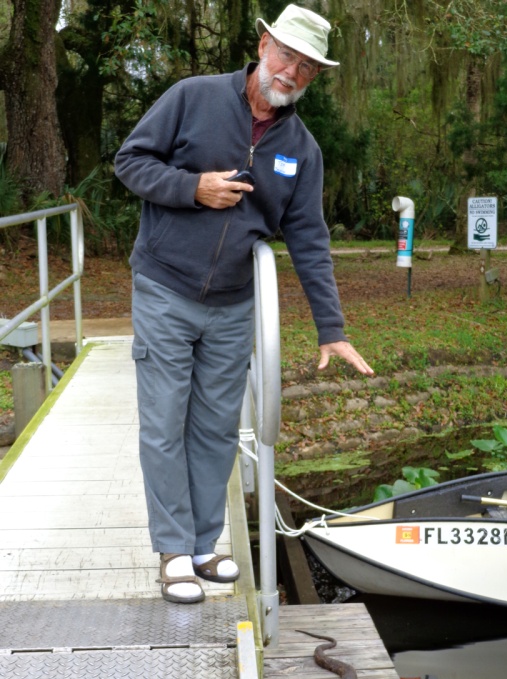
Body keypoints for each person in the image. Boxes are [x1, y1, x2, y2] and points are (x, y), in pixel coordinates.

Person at [114, 3, 374, 604]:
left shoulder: (302, 149)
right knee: (163, 425)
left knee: (212, 430)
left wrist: (329, 327)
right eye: (286, 55)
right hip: (165, 287)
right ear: (262, 45)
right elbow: (130, 162)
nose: (291, 72)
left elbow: (308, 236)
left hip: (234, 307)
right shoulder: (193, 96)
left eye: (307, 67)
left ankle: (205, 545)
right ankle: (173, 550)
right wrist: (191, 188)